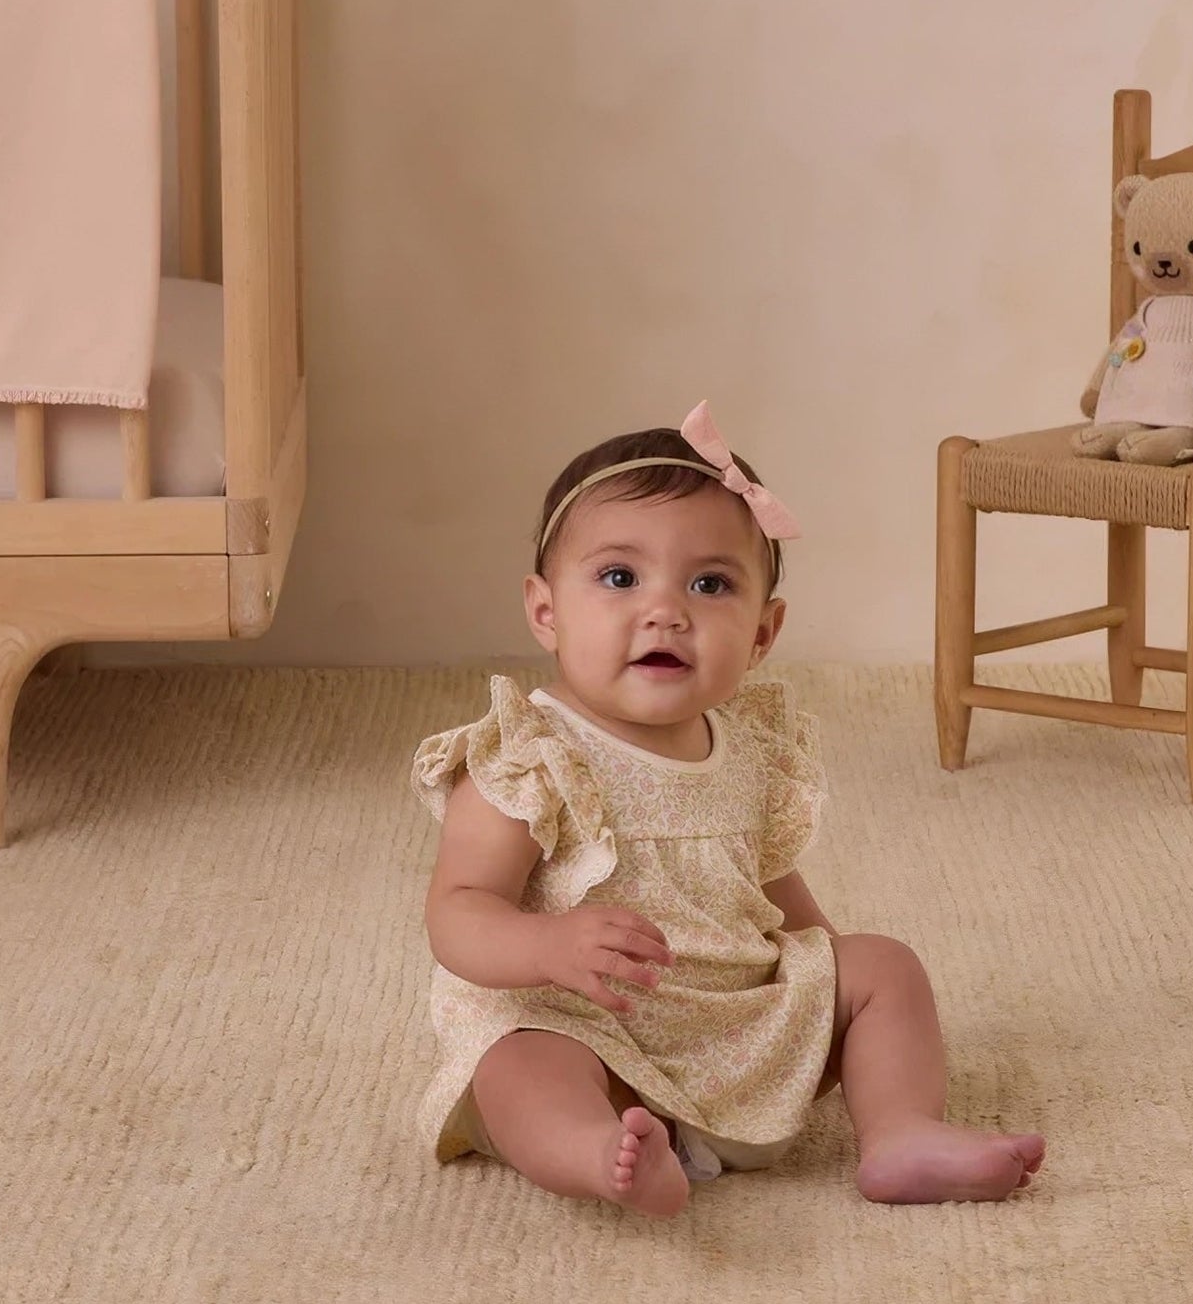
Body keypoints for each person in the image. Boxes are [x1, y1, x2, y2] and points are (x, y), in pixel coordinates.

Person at [411, 402, 1045, 1217]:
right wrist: (546, 945)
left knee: (883, 965)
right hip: (588, 1023)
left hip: (732, 1028)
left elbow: (773, 891)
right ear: (545, 611)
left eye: (709, 584)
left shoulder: (750, 749)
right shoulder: (532, 754)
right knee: (518, 1062)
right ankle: (596, 1151)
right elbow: (458, 911)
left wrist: (829, 989)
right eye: (619, 578)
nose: (666, 611)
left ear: (762, 634)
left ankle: (900, 1131)